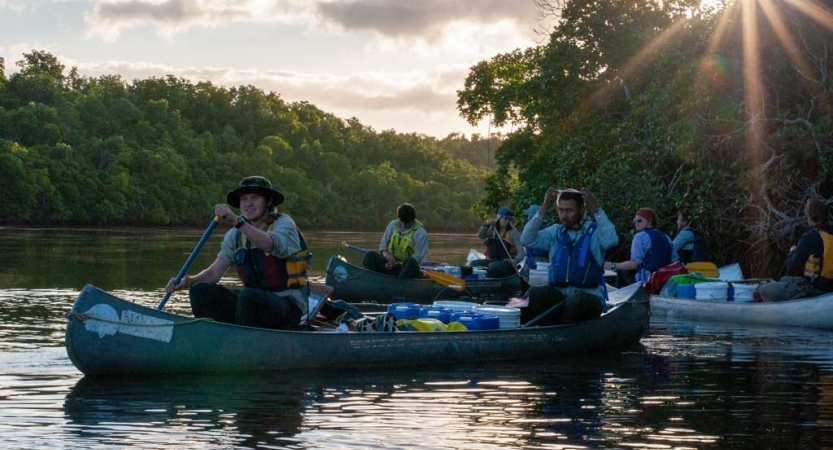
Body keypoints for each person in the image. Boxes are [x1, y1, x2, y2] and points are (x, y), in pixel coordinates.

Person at [165, 176, 311, 329]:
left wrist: (236, 221)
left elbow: (269, 244)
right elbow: (213, 274)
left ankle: (244, 343)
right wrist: (186, 282)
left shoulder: (283, 223)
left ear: (268, 202)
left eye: (255, 198)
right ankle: (212, 337)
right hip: (253, 304)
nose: (248, 203)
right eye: (244, 199)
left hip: (288, 306)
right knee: (200, 290)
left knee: (248, 296)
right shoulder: (235, 235)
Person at [521, 188, 618, 325]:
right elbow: (526, 239)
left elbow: (611, 240)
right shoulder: (555, 232)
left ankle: (561, 333)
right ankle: (537, 331)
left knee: (576, 300)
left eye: (569, 210)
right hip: (559, 296)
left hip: (588, 298)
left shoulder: (596, 232)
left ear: (582, 209)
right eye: (561, 210)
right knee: (535, 293)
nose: (564, 215)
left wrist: (596, 209)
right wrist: (544, 208)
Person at [758, 198, 833, 302]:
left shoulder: (809, 237)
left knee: (764, 289)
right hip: (829, 287)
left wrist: (792, 251)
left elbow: (791, 267)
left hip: (814, 289)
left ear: (810, 218)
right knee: (784, 280)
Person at [603, 207, 678, 284]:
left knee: (624, 273)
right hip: (668, 280)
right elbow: (675, 261)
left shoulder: (639, 237)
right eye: (634, 221)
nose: (636, 223)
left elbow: (634, 264)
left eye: (639, 220)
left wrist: (612, 266)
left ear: (649, 222)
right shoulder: (665, 236)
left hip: (649, 281)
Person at [362, 203, 428, 278]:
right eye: (401, 221)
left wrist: (397, 264)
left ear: (412, 221)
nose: (403, 225)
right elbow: (382, 248)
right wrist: (388, 258)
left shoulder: (420, 233)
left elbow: (417, 259)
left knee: (410, 262)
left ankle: (398, 285)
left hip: (406, 269)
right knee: (370, 255)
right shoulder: (392, 225)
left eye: (406, 223)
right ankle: (371, 278)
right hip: (389, 264)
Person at [472, 206, 524, 276]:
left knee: (493, 267)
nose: (508, 221)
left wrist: (516, 260)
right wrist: (486, 225)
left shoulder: (513, 233)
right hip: (492, 261)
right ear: (499, 218)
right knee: (473, 263)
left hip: (507, 262)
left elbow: (521, 253)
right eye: (506, 219)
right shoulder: (492, 228)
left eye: (510, 219)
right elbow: (480, 236)